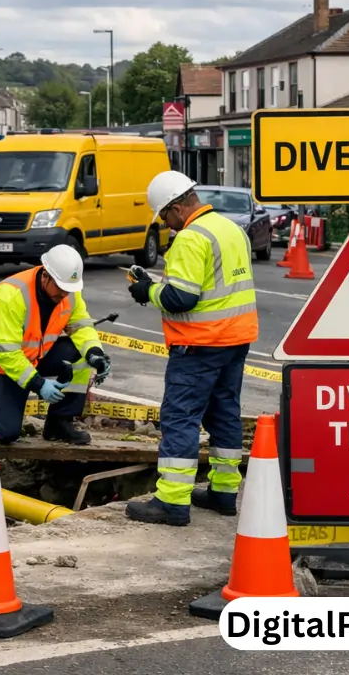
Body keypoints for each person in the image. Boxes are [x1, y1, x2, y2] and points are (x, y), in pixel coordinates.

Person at [125, 171, 258, 526]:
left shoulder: (190, 238)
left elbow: (180, 297)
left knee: (180, 419)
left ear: (178, 208)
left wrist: (147, 290)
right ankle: (224, 491)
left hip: (200, 344)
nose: (167, 224)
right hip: (236, 339)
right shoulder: (231, 230)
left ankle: (172, 500)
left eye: (166, 216)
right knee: (224, 414)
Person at [0, 244, 112, 446]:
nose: (65, 294)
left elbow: (81, 325)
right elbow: (6, 354)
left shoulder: (68, 291)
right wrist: (38, 384)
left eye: (68, 289)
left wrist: (95, 353)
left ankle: (59, 423)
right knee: (4, 432)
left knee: (82, 356)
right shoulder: (10, 295)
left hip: (33, 357)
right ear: (45, 275)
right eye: (61, 288)